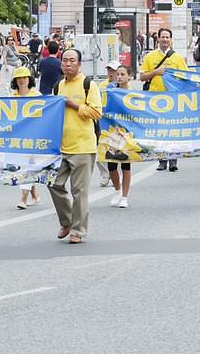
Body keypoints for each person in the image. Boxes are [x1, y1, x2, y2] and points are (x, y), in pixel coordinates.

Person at [49, 48, 101, 244]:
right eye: (65, 61)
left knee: (79, 192)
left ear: (79, 64)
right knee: (53, 184)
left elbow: (96, 112)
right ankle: (67, 220)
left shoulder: (89, 85)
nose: (68, 64)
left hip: (82, 146)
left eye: (72, 61)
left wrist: (74, 105)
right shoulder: (58, 86)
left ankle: (78, 231)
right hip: (60, 146)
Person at [139, 28, 187, 171]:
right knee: (159, 131)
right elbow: (141, 77)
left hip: (173, 99)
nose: (165, 40)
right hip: (155, 99)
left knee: (172, 130)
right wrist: (155, 72)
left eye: (167, 37)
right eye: (163, 37)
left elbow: (185, 77)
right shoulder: (150, 57)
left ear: (171, 40)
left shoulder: (177, 58)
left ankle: (173, 160)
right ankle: (161, 160)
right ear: (158, 39)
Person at [9, 66, 42, 210]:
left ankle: (23, 198)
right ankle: (35, 195)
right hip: (17, 136)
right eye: (19, 78)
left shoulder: (37, 96)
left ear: (30, 79)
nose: (22, 80)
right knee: (25, 166)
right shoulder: (10, 97)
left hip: (33, 136)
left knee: (27, 166)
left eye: (24, 77)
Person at [107, 65, 133, 208]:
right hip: (112, 132)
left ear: (129, 76)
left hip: (127, 132)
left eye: (123, 74)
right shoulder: (111, 90)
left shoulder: (132, 93)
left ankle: (124, 196)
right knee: (111, 164)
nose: (120, 76)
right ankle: (117, 189)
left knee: (125, 164)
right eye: (118, 74)